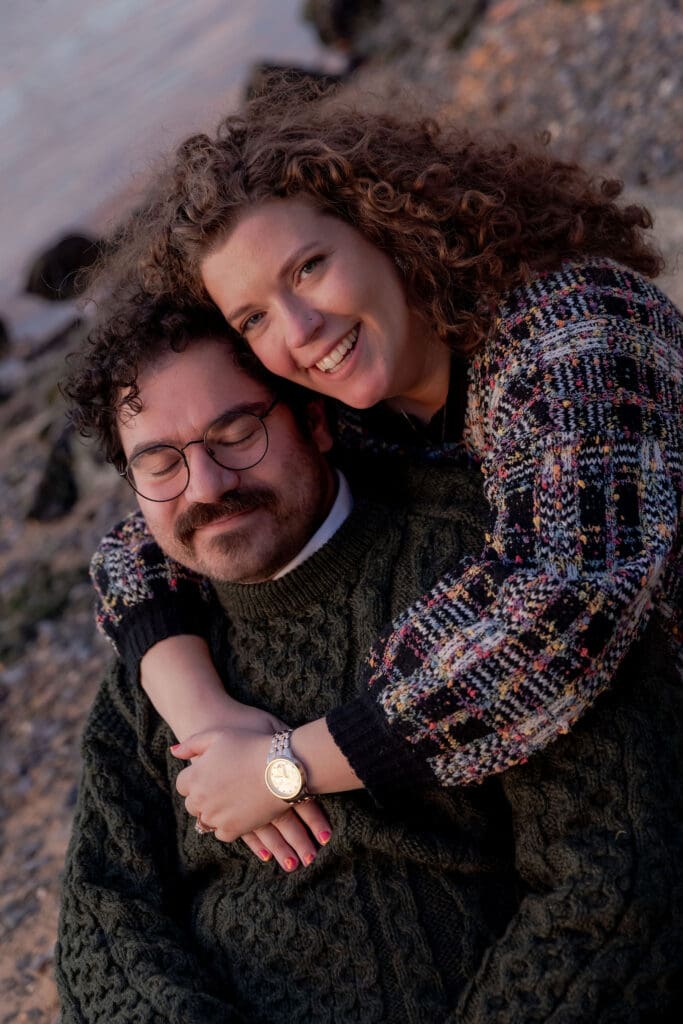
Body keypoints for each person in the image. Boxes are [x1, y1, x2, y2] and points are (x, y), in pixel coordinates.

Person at [86, 80, 682, 845]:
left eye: (308, 268)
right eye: (254, 317)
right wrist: (203, 710)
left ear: (385, 226)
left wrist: (280, 767)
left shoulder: (572, 330)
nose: (301, 329)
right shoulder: (345, 402)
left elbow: (553, 618)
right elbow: (150, 536)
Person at [57, 301, 683, 1022]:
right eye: (159, 463)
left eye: (235, 434)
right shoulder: (159, 664)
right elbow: (102, 923)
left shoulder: (488, 577)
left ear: (316, 422)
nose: (206, 485)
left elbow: (617, 879)